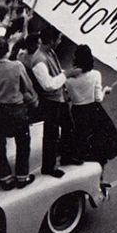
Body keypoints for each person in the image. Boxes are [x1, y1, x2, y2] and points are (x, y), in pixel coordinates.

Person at [0, 37, 38, 189]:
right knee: (23, 143)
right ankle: (22, 176)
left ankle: (5, 177)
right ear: (7, 51)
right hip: (16, 109)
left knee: (0, 144)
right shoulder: (17, 66)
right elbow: (26, 87)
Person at [29, 25, 82, 177]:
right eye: (58, 38)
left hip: (59, 98)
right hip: (50, 101)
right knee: (51, 134)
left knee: (68, 126)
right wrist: (68, 75)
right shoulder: (39, 60)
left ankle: (66, 156)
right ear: (51, 41)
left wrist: (66, 74)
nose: (60, 41)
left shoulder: (49, 52)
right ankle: (48, 167)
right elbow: (48, 85)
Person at [65, 44, 117, 167]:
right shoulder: (95, 75)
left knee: (82, 147)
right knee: (100, 148)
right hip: (94, 112)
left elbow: (68, 97)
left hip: (77, 112)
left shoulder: (69, 79)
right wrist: (105, 90)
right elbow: (98, 98)